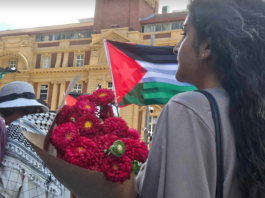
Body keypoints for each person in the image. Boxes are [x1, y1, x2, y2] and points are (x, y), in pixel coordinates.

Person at [137, 0, 265, 197]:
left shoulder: (188, 109)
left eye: (185, 33)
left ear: (207, 46)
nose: (176, 48)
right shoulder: (255, 112)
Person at [0, 81, 66, 198]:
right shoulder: (56, 133)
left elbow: (6, 189)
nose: (4, 120)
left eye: (4, 114)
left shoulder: (17, 132)